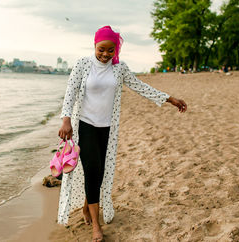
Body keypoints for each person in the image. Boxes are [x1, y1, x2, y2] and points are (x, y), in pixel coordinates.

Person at [57, 26, 187, 241]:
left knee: (99, 173)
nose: (105, 54)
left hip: (107, 128)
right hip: (85, 125)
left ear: (116, 49)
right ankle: (96, 226)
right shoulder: (83, 64)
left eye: (110, 50)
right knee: (92, 169)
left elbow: (139, 86)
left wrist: (169, 98)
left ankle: (86, 207)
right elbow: (70, 92)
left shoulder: (119, 68)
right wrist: (66, 120)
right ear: (95, 45)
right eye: (101, 49)